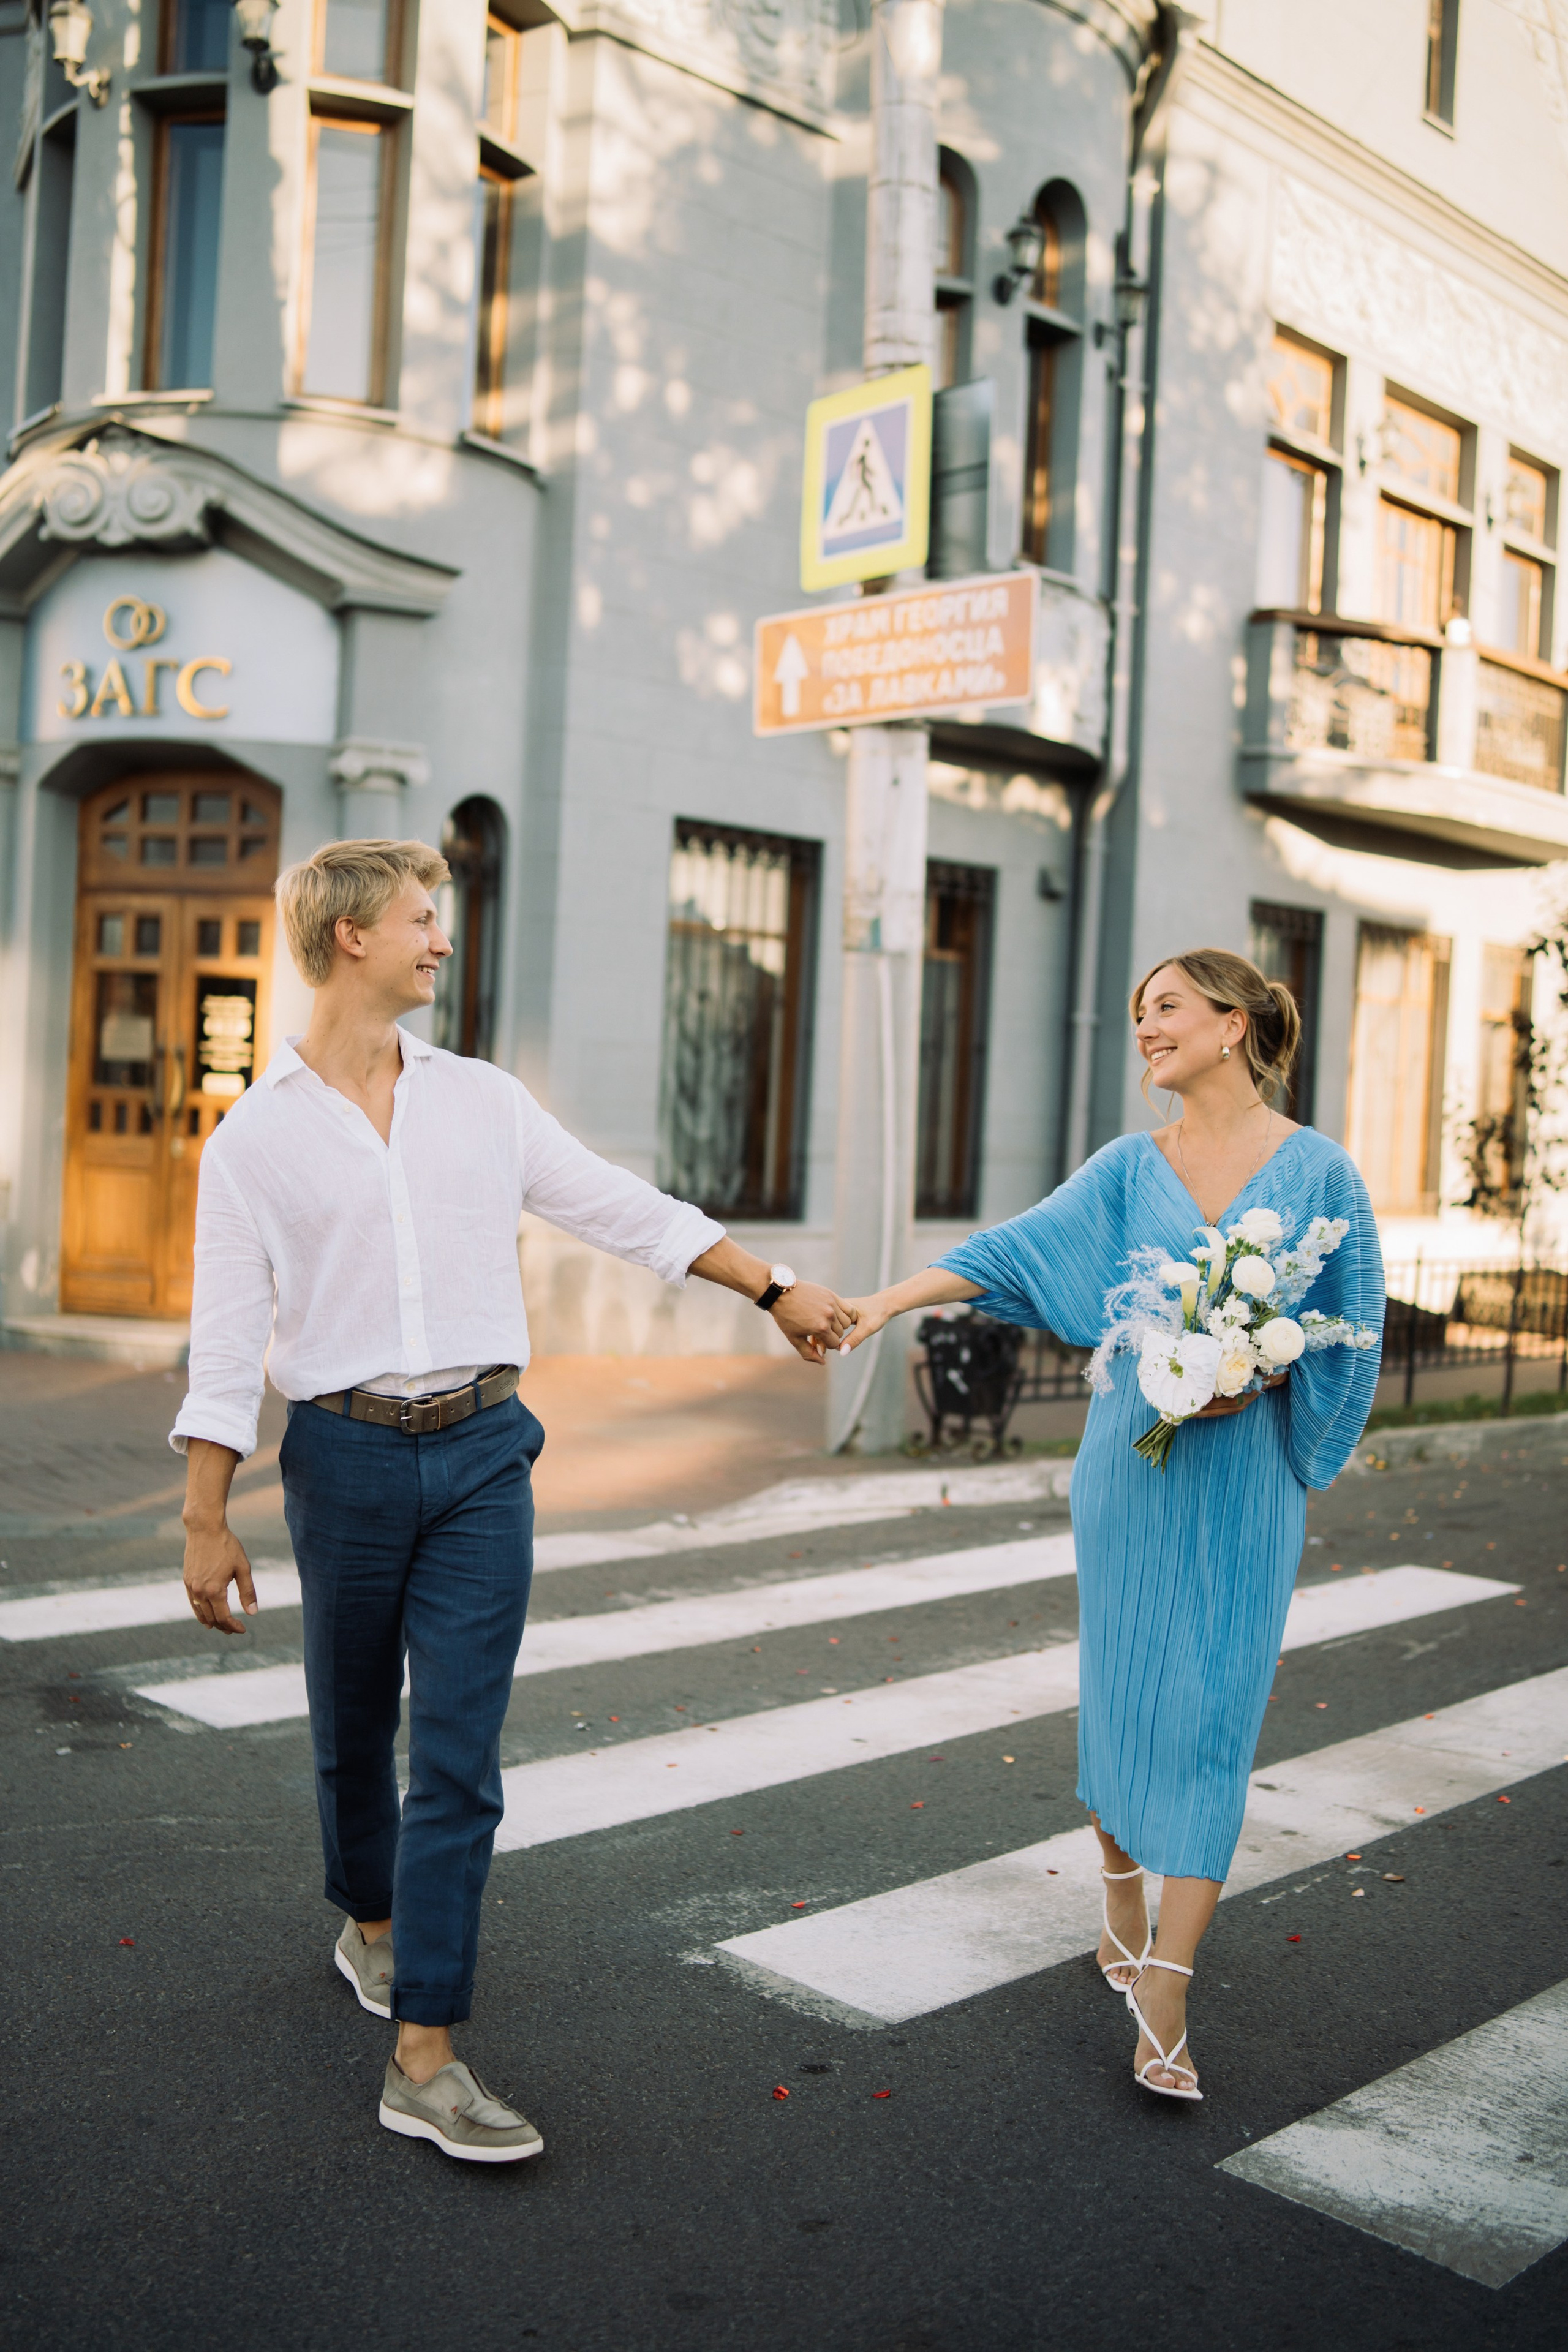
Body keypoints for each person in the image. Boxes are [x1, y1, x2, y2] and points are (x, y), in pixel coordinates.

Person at [173, 839, 851, 2162]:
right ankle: (369, 1921)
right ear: (351, 936)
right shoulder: (253, 1141)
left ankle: (422, 2053)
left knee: (457, 1759)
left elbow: (620, 1208)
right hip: (344, 1455)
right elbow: (225, 1334)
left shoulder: (480, 1099)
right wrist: (206, 1512)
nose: (441, 940)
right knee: (351, 1725)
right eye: (422, 920)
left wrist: (770, 1289)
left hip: (485, 1453)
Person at [839, 949, 1383, 2102]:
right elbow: (1006, 1255)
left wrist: (1267, 1378)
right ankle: (1121, 1903)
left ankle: (1167, 1989)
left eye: (1167, 1010)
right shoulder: (1129, 1167)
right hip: (1131, 1465)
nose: (1146, 1029)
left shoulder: (1321, 1170)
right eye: (1137, 1013)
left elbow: (1356, 1320)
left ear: (1233, 1025)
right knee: (1130, 1691)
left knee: (1214, 1713)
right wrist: (883, 1303)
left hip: (1243, 1477)